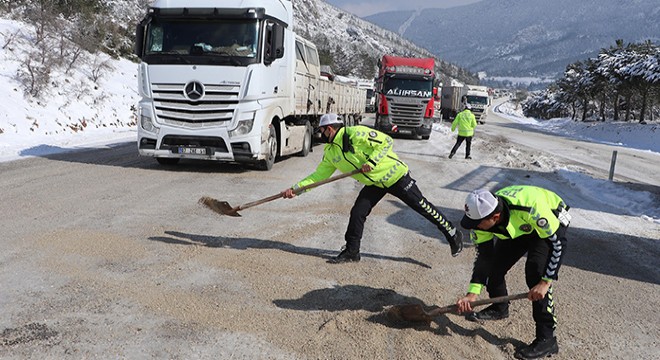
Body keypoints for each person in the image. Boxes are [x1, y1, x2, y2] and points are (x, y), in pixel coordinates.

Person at [282, 113, 464, 263]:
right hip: (375, 183)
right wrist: (296, 189)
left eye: (321, 130)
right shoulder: (331, 152)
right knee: (358, 212)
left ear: (330, 129)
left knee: (421, 206)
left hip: (395, 176)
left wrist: (372, 161)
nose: (320, 134)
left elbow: (386, 141)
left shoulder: (356, 133)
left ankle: (452, 233)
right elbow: (318, 177)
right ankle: (352, 252)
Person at [455, 186, 571, 360]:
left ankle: (547, 339)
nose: (474, 227)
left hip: (550, 215)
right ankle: (500, 308)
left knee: (535, 272)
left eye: (477, 223)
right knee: (494, 267)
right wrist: (472, 294)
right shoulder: (482, 220)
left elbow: (558, 245)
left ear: (495, 217)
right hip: (520, 224)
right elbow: (484, 258)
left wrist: (545, 282)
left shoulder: (532, 209)